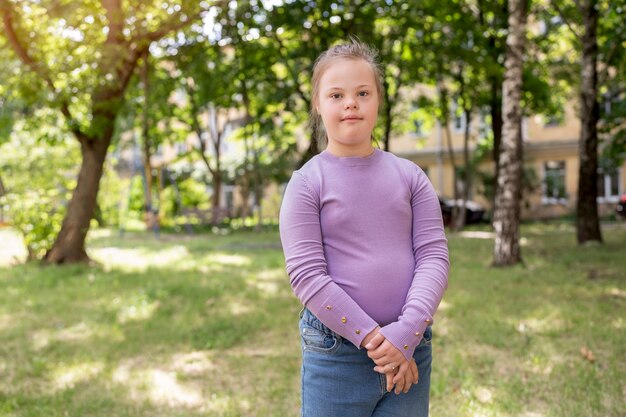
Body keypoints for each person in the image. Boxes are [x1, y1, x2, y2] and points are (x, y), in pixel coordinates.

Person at [279, 39, 449, 417]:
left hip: (410, 347)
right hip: (335, 355)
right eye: (336, 94)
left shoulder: (410, 176)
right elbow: (307, 276)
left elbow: (433, 257)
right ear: (318, 105)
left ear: (378, 102)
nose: (350, 102)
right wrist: (380, 342)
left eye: (362, 93)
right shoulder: (307, 183)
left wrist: (405, 335)